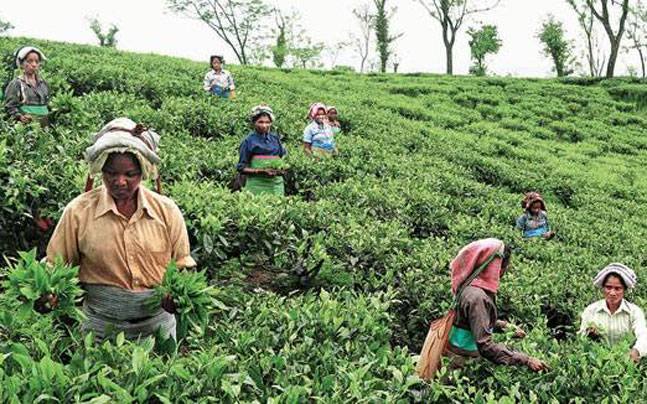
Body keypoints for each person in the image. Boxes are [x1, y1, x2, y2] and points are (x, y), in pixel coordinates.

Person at [44, 117, 196, 341]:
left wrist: (177, 294)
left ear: (142, 173)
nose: (120, 181)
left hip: (156, 327)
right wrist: (47, 293)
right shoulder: (78, 211)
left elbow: (183, 265)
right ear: (102, 171)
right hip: (98, 327)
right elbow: (54, 266)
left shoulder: (166, 210)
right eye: (111, 173)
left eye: (130, 174)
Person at [447, 238, 549, 372]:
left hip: (457, 355)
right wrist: (526, 360)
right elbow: (485, 346)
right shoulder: (477, 297)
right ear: (495, 266)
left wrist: (506, 327)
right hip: (461, 363)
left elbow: (475, 321)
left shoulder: (469, 286)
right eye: (503, 266)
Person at [579, 263, 646, 363]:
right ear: (603, 288)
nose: (612, 293)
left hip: (627, 363)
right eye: (608, 287)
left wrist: (636, 351)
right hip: (598, 363)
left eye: (617, 288)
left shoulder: (634, 312)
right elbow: (581, 338)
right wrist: (589, 335)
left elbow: (644, 335)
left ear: (624, 290)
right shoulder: (591, 310)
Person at [236, 104, 287, 196]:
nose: (264, 125)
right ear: (253, 122)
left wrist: (281, 170)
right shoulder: (248, 141)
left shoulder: (275, 139)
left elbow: (281, 159)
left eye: (267, 122)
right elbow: (241, 168)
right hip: (256, 185)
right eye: (260, 122)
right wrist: (261, 171)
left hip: (276, 185)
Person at [4, 46, 50, 126]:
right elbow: (10, 107)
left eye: (37, 61)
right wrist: (20, 117)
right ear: (21, 64)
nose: (34, 64)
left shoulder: (44, 84)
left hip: (44, 128)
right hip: (26, 128)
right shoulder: (16, 84)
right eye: (30, 61)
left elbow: (47, 105)